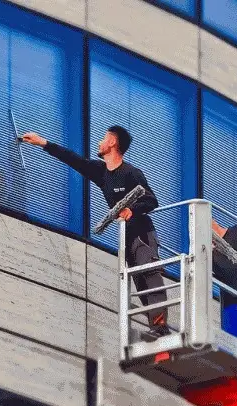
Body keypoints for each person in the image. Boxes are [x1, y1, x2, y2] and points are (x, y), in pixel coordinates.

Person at [19, 127, 170, 339]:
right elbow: (74, 160)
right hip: (126, 238)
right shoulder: (101, 172)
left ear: (112, 143)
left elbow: (152, 200)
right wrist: (43, 143)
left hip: (142, 234)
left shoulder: (131, 172)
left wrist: (131, 209)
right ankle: (156, 328)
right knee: (139, 281)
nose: (99, 142)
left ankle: (160, 326)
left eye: (103, 139)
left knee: (149, 276)